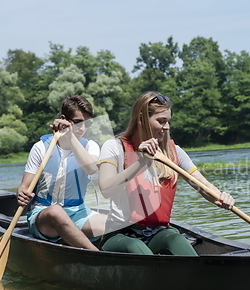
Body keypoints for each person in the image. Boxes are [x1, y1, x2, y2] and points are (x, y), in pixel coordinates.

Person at [97, 91, 235, 255]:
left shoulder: (174, 151)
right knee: (136, 248)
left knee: (176, 239)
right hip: (120, 234)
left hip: (158, 232)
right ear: (141, 119)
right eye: (161, 121)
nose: (167, 127)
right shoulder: (114, 147)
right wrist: (141, 160)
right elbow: (106, 189)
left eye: (168, 121)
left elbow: (202, 184)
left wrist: (221, 197)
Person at [17, 95, 106, 251]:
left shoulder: (90, 146)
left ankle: (75, 239)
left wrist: (71, 137)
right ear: (64, 119)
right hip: (45, 216)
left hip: (78, 213)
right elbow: (24, 187)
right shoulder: (40, 147)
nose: (83, 129)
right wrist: (21, 193)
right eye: (78, 123)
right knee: (56, 212)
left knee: (114, 223)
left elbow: (91, 168)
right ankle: (96, 254)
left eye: (87, 123)